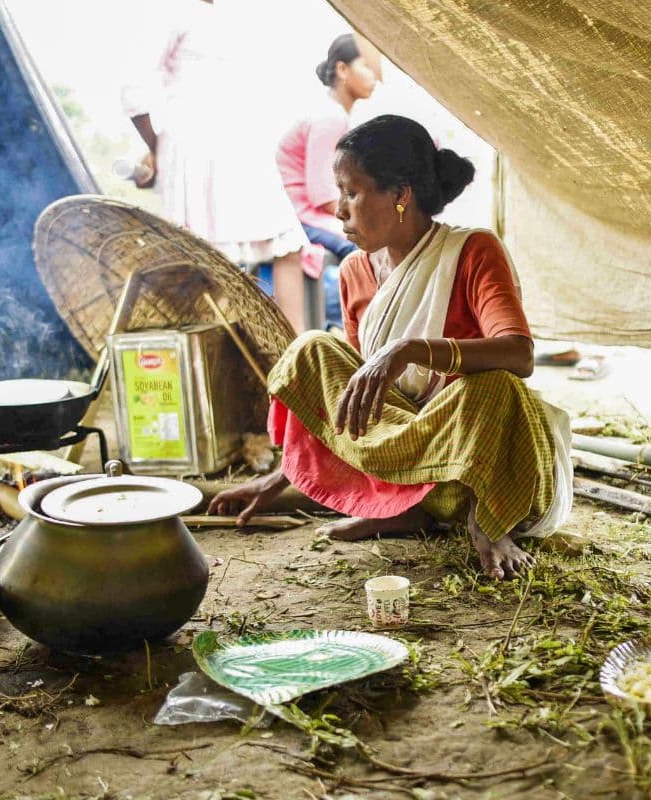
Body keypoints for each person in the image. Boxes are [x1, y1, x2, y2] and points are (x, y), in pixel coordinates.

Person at [210, 114, 573, 580]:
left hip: (479, 468)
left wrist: (411, 349)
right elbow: (360, 408)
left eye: (351, 192)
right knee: (313, 349)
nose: (338, 209)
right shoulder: (355, 273)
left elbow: (519, 355)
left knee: (491, 387)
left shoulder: (473, 251)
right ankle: (403, 509)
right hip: (409, 464)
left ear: (401, 196)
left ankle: (489, 522)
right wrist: (280, 480)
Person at [122, 0, 308, 333]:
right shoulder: (172, 11)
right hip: (194, 145)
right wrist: (154, 148)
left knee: (284, 246)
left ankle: (301, 357)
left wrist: (156, 149)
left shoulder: (228, 16)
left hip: (236, 142)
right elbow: (133, 93)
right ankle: (215, 359)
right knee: (205, 259)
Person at [277, 33, 378, 329]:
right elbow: (322, 194)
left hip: (307, 213)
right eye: (367, 67)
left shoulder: (336, 116)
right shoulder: (329, 117)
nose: (375, 77)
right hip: (299, 215)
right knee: (367, 245)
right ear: (342, 69)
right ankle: (358, 328)